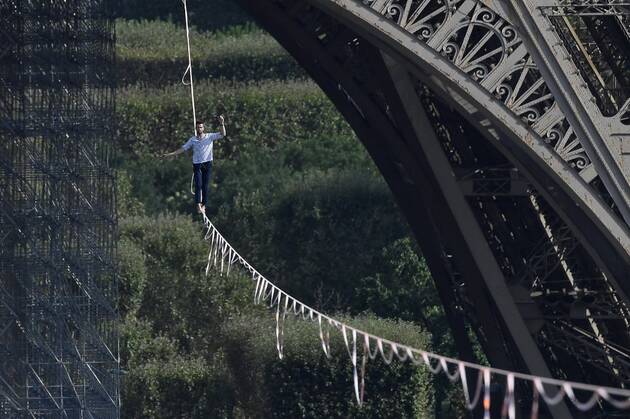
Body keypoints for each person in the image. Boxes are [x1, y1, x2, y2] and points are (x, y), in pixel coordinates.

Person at [162, 115, 226, 213]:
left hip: (207, 163)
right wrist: (171, 154)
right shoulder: (193, 140)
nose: (199, 129)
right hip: (197, 165)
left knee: (205, 186)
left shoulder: (209, 136)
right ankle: (198, 204)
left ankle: (204, 205)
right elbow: (183, 149)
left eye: (201, 127)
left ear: (203, 128)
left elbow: (223, 134)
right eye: (198, 127)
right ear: (196, 129)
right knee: (198, 185)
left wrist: (221, 123)